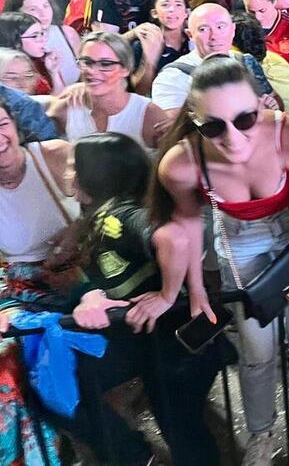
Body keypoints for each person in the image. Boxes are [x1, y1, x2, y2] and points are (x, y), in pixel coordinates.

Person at [148, 57, 289, 466]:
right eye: (214, 126)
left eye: (245, 119)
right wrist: (196, 292)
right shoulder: (182, 164)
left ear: (261, 104)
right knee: (256, 348)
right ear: (194, 120)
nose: (233, 137)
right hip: (237, 240)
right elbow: (187, 225)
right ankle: (261, 432)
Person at [63, 132, 230, 466]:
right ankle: (136, 455)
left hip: (174, 344)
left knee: (183, 429)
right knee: (181, 426)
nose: (68, 174)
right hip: (153, 341)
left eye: (73, 166)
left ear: (98, 175)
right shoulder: (107, 212)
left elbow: (174, 238)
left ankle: (136, 456)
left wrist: (167, 296)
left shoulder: (118, 217)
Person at [0, 98, 76, 466]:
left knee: (42, 358)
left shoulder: (54, 157)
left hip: (83, 278)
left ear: (14, 125)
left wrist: (77, 234)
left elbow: (112, 206)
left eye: (1, 123)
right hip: (20, 290)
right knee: (7, 373)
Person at [48, 32, 167, 148]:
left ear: (125, 69)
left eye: (105, 64)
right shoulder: (66, 108)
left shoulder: (148, 114)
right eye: (87, 62)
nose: (92, 71)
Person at [152, 2, 266, 113]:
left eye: (221, 27)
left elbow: (274, 103)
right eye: (204, 29)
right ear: (190, 35)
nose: (214, 36)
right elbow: (171, 128)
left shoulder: (246, 62)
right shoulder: (172, 77)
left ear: (233, 30)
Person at [3, 0, 80, 85]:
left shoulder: (68, 33)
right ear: (16, 14)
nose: (43, 13)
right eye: (33, 9)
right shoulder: (9, 49)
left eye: (45, 6)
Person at [0, 12, 63, 95]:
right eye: (35, 36)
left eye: (42, 33)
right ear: (16, 42)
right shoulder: (6, 66)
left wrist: (54, 72)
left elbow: (58, 103)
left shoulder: (40, 62)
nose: (43, 40)